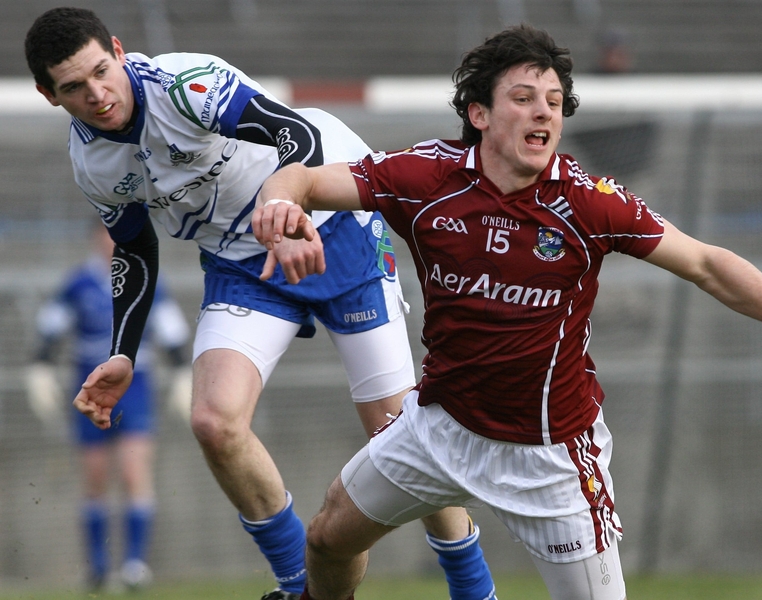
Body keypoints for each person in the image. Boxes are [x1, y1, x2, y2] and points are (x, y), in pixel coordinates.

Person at [252, 24, 762, 600]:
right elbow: (301, 178)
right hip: (440, 427)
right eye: (524, 97)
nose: (544, 112)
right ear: (480, 114)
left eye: (555, 102)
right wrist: (279, 206)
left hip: (549, 458)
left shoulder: (588, 202)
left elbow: (707, 263)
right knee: (327, 539)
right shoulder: (426, 177)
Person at [24, 8, 496, 600]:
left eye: (101, 71)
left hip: (332, 225)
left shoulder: (184, 84)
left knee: (398, 435)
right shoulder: (91, 161)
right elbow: (134, 249)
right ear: (49, 95)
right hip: (241, 261)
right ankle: (300, 586)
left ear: (118, 51)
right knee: (213, 421)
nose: (97, 94)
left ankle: (474, 589)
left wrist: (289, 214)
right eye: (74, 87)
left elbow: (296, 135)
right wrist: (123, 352)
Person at [25, 221, 191, 591]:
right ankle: (98, 568)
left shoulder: (146, 280)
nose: (110, 243)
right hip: (89, 387)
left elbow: (172, 333)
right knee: (95, 476)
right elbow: (50, 330)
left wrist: (182, 373)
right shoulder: (78, 284)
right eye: (105, 235)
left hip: (136, 387)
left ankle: (135, 565)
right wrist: (40, 368)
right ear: (94, 239)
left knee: (134, 472)